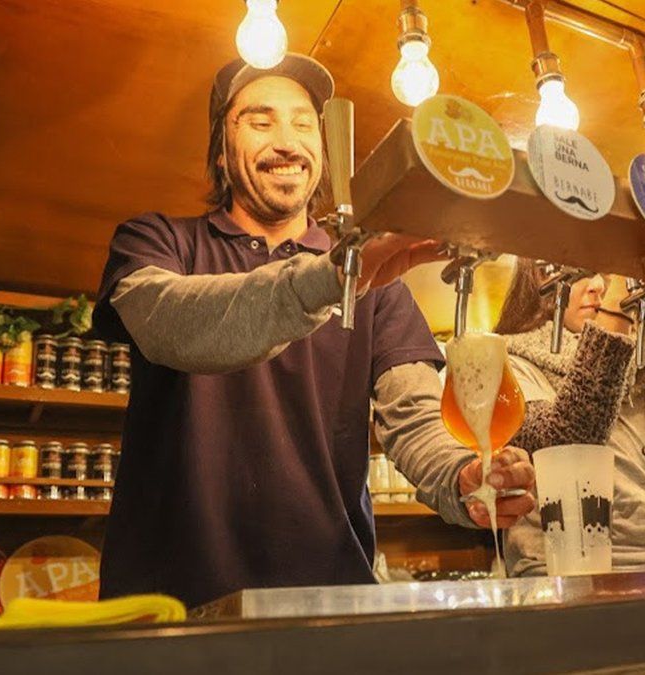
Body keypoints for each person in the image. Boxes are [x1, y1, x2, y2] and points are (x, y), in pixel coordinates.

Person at [92, 54, 535, 607]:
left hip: (327, 602)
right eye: (259, 121)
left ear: (323, 155)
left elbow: (415, 412)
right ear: (222, 154)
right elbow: (169, 324)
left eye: (305, 124)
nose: (286, 142)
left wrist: (462, 474)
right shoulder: (158, 241)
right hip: (171, 603)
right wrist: (330, 278)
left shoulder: (375, 280)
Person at [493, 259, 645, 575]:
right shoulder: (508, 364)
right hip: (564, 575)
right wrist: (614, 323)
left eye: (607, 274)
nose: (599, 286)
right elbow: (565, 445)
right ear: (539, 275)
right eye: (583, 271)